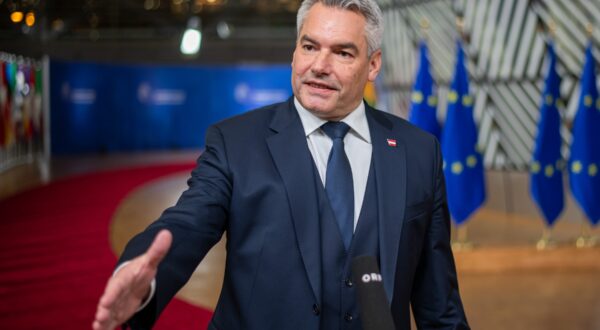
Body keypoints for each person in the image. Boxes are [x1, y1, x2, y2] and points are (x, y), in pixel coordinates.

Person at [93, 0, 469, 329]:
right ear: (294, 53)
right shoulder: (236, 142)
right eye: (310, 46)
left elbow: (440, 304)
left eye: (342, 53)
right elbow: (189, 221)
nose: (319, 65)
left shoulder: (418, 152)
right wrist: (140, 278)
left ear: (373, 66)